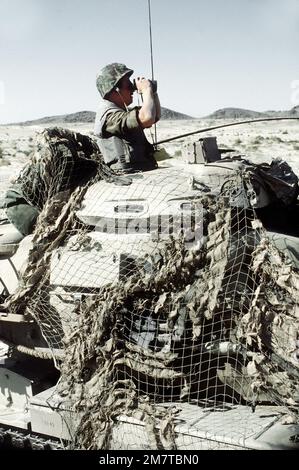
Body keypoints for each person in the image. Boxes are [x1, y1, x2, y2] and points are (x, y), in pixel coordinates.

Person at [94, 62, 161, 172]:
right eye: (128, 84)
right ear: (115, 89)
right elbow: (147, 118)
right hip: (127, 174)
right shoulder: (109, 116)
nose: (133, 89)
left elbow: (155, 116)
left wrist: (152, 92)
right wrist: (145, 90)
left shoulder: (121, 111)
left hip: (141, 170)